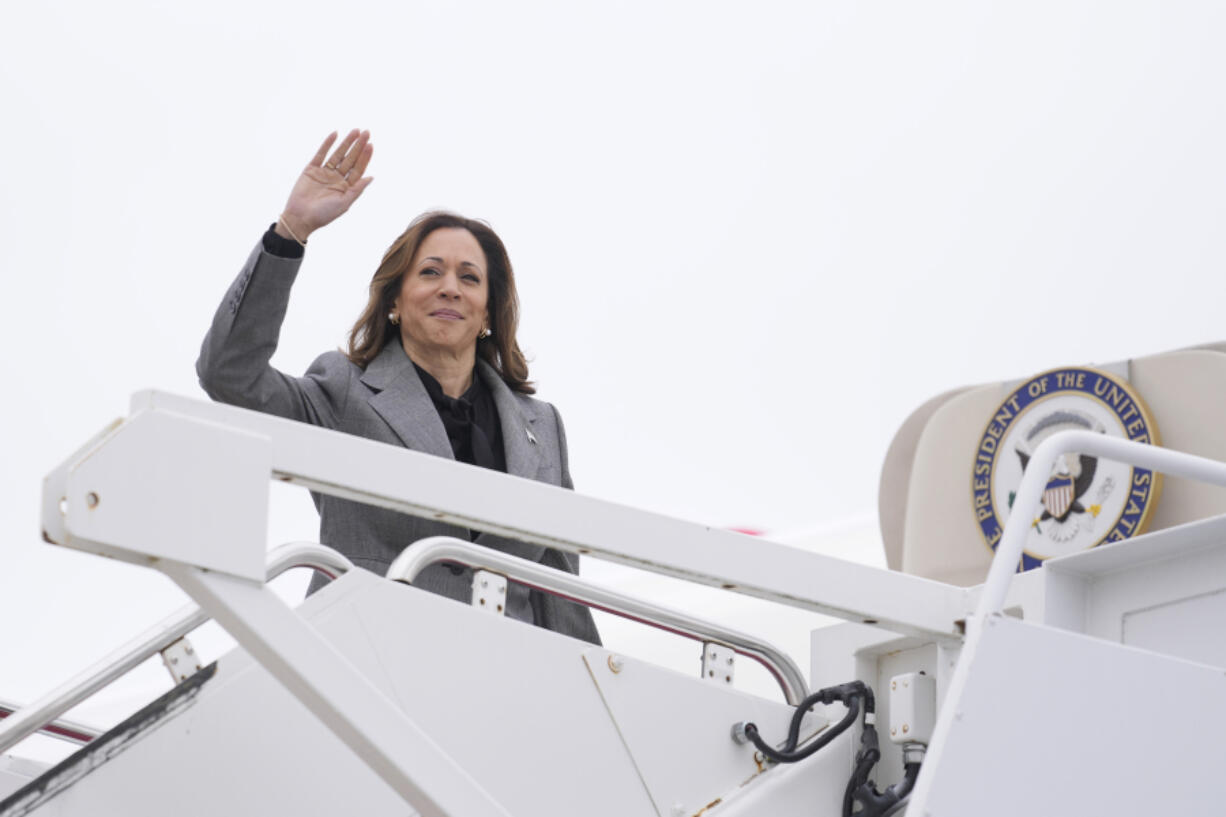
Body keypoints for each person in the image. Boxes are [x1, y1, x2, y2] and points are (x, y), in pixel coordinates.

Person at [197, 129, 600, 644]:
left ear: (486, 312)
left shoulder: (541, 425)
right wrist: (292, 230)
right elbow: (229, 374)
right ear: (395, 299)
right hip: (370, 665)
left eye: (469, 277)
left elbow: (560, 588)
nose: (450, 287)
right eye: (430, 271)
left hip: (508, 685)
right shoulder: (343, 391)